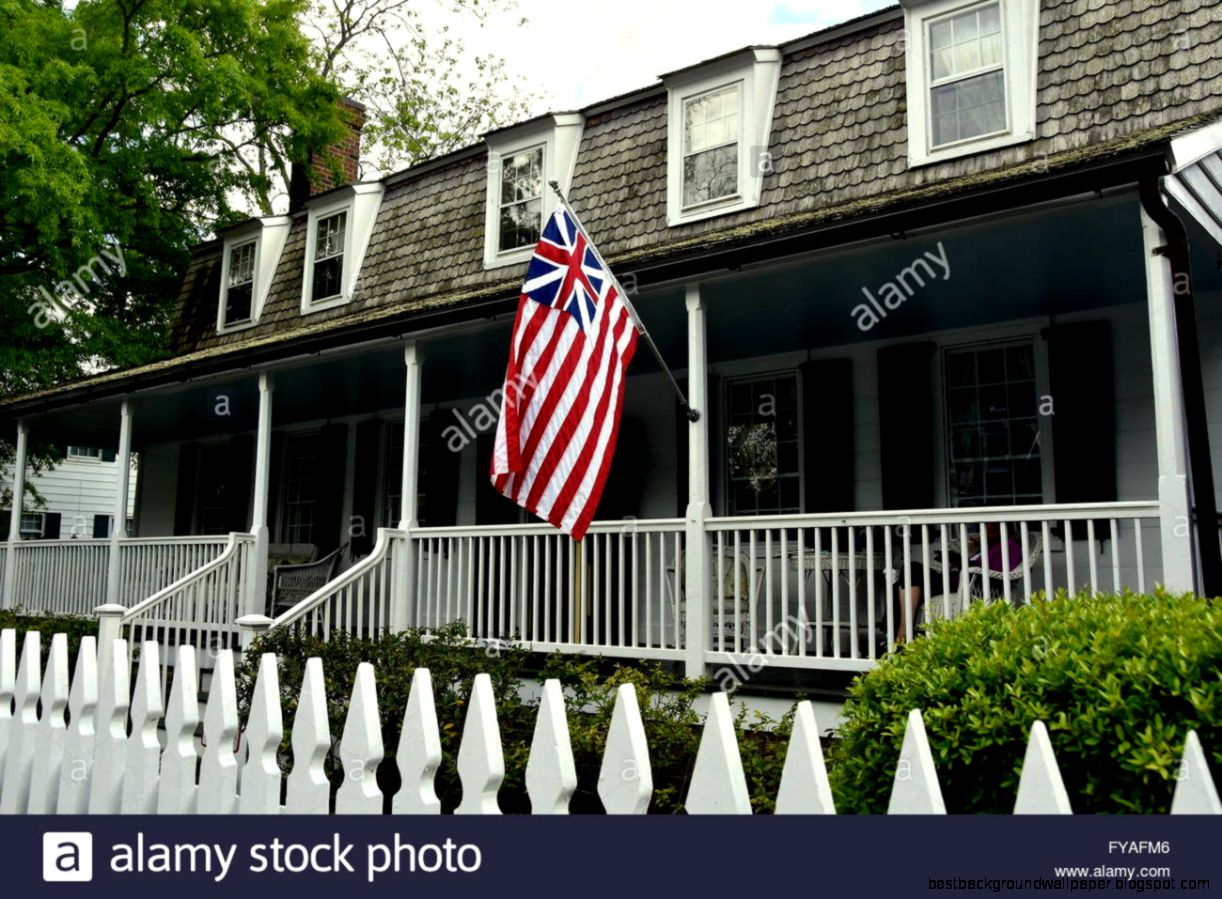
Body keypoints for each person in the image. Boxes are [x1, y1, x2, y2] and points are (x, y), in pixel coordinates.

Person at [893, 523, 1023, 643]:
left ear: (1004, 525)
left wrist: (958, 560)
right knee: (904, 582)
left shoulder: (1008, 546)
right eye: (986, 524)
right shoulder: (989, 546)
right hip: (956, 580)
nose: (986, 526)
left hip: (970, 585)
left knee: (912, 569)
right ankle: (898, 637)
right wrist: (970, 550)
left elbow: (992, 572)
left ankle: (903, 634)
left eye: (990, 523)